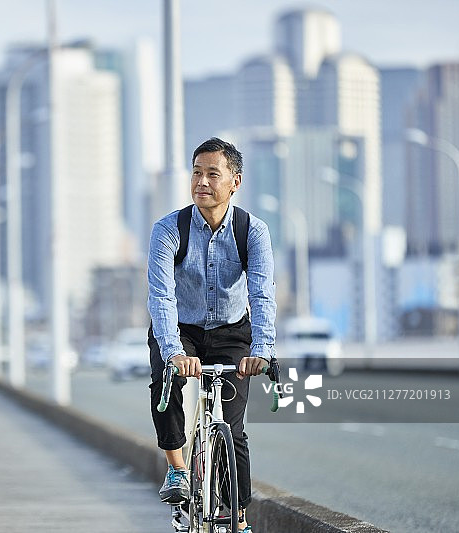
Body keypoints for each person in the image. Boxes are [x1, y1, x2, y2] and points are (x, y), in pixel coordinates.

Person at [147, 137, 277, 532]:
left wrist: (263, 349)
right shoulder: (169, 229)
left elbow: (262, 292)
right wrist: (172, 351)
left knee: (234, 429)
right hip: (181, 329)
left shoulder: (252, 231)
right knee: (163, 383)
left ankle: (237, 516)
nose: (201, 181)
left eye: (212, 174)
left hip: (231, 331)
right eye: (196, 172)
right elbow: (160, 295)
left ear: (235, 181)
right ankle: (177, 470)